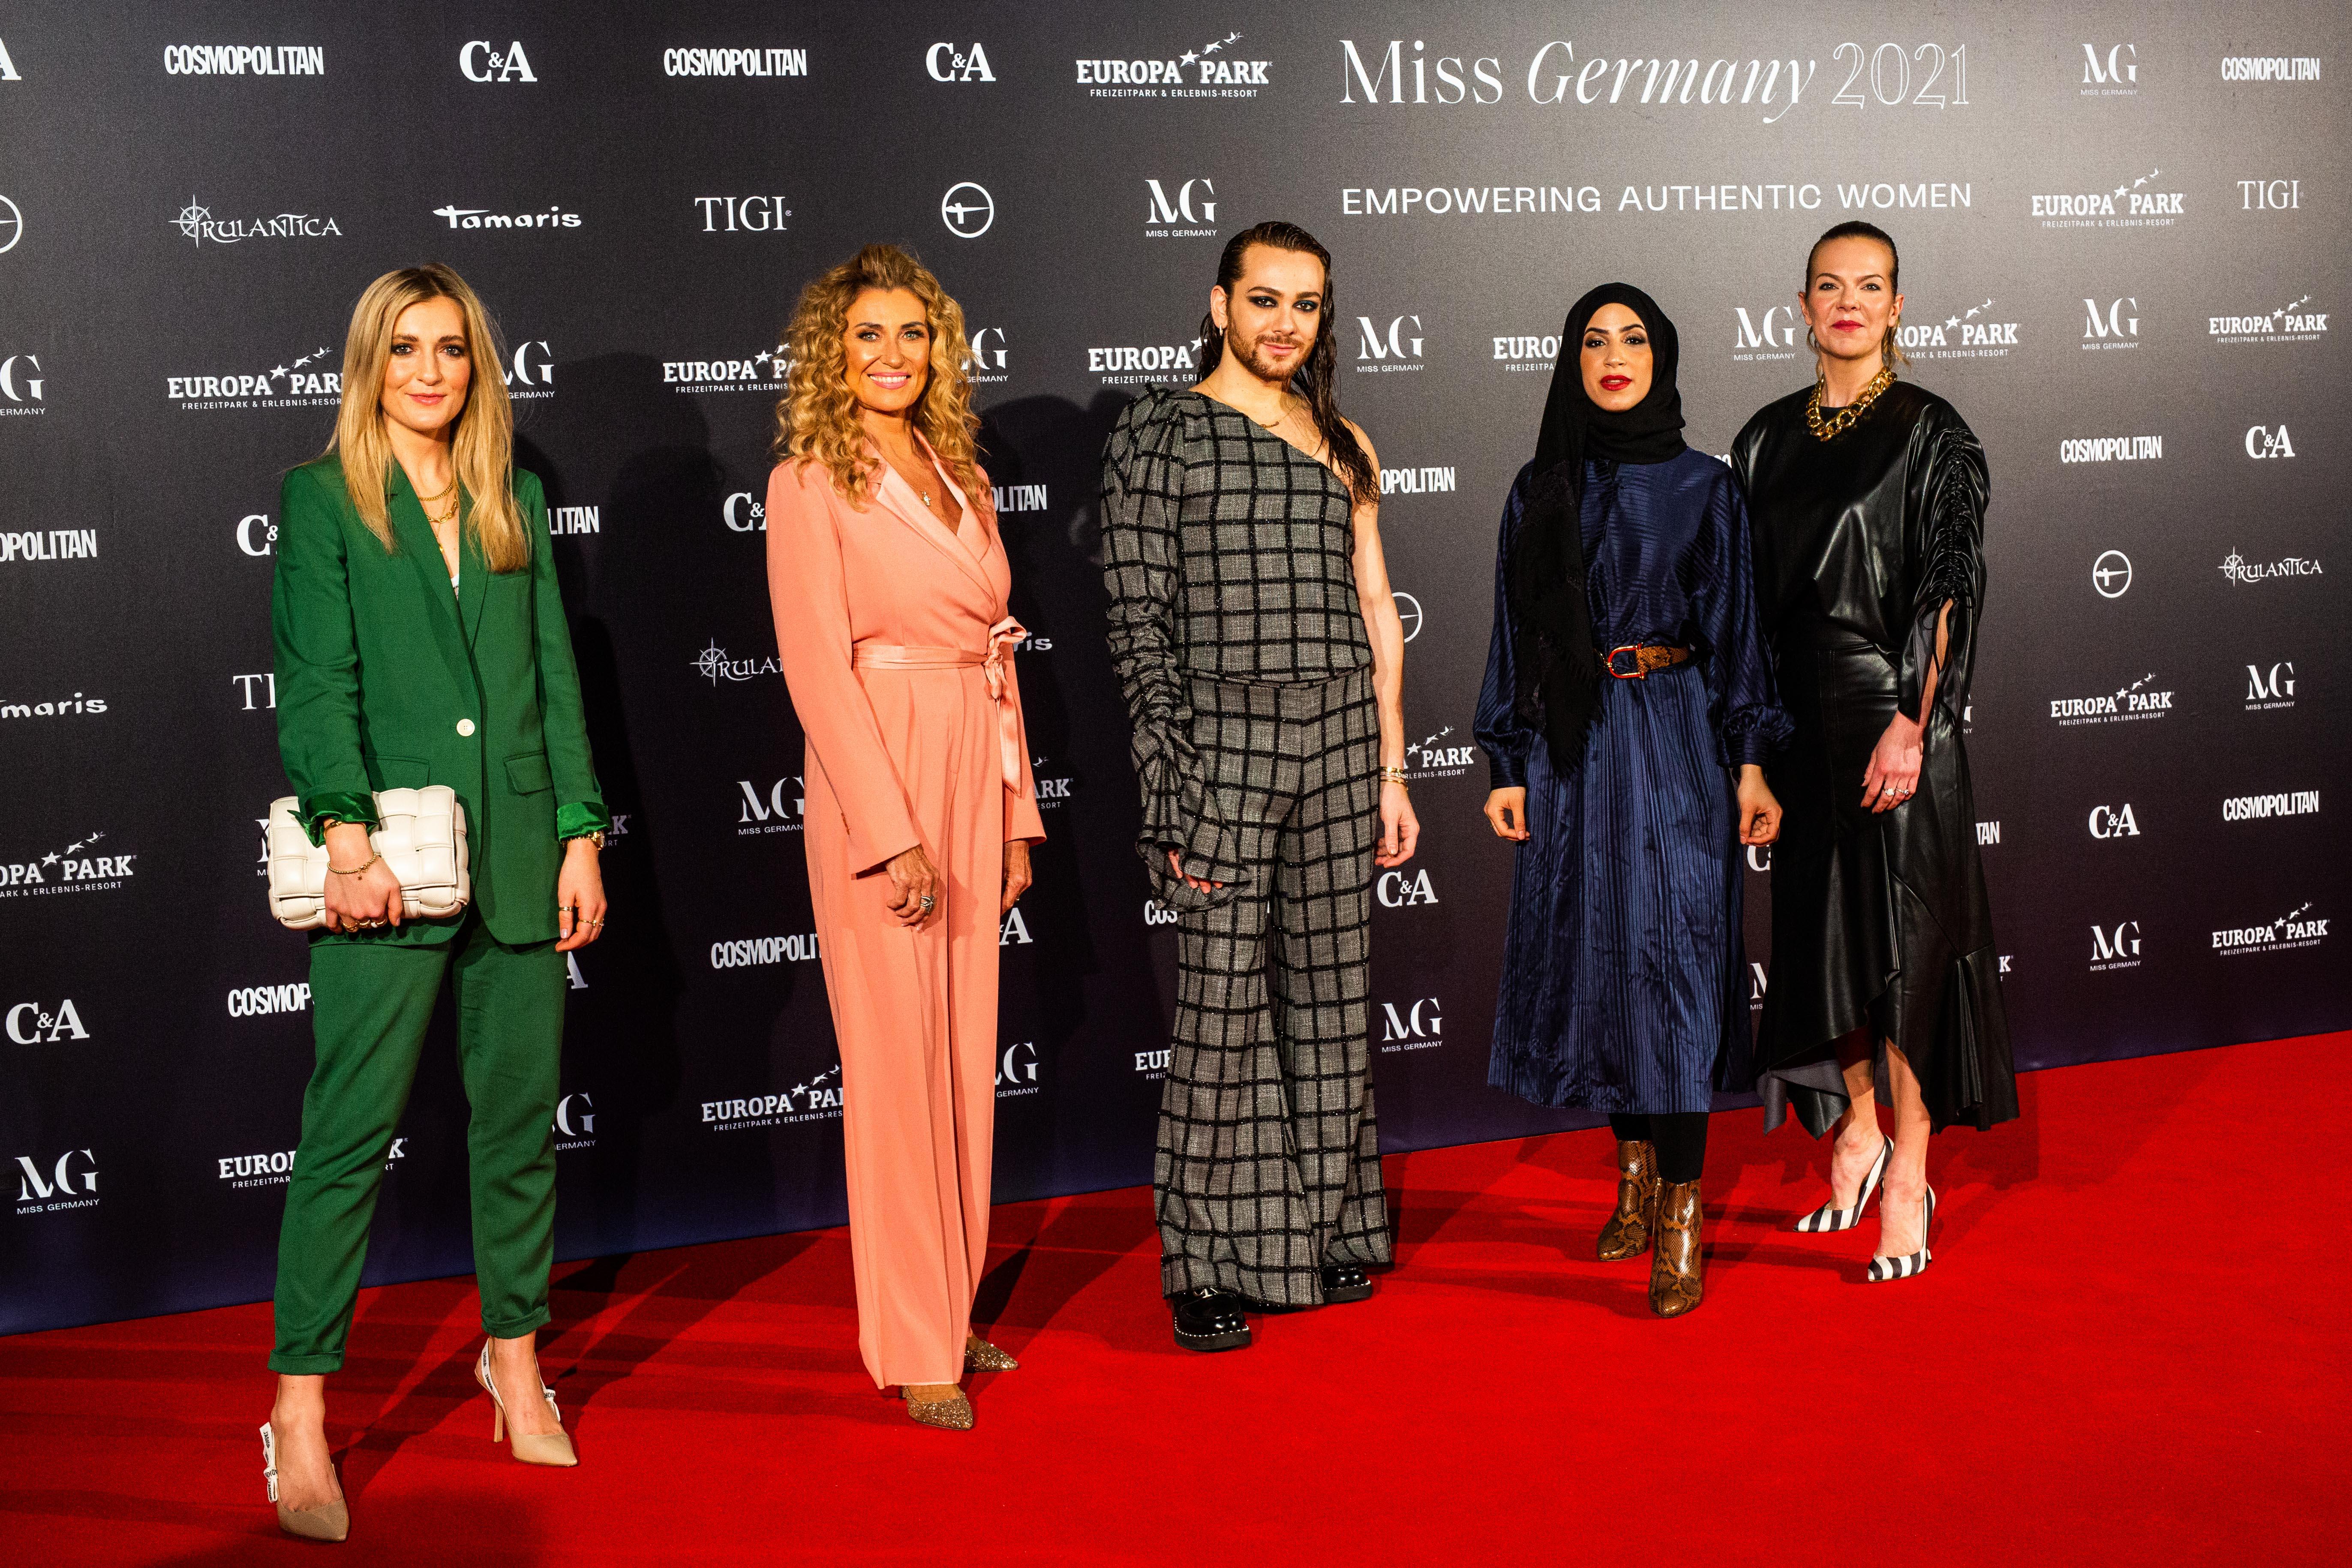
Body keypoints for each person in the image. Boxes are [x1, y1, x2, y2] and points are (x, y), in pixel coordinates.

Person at [264, 263, 609, 1540]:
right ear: (369, 364)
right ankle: (300, 1408)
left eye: (450, 349)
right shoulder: (321, 501)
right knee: (347, 1137)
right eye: (403, 348)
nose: (428, 371)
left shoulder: (510, 494)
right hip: (389, 866)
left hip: (519, 856)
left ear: (477, 367)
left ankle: (513, 1357)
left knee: (518, 1129)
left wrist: (582, 832)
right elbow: (314, 683)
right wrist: (344, 837)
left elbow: (551, 679)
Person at [1101, 220, 1419, 1352]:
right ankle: (1205, 1259)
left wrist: (1393, 766)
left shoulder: (1344, 440)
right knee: (1221, 1010)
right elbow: (1137, 625)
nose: (1286, 322)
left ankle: (1324, 1228)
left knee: (1332, 1001)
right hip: (1222, 744)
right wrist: (1169, 779)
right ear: (1220, 301)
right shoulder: (1162, 434)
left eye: (1309, 304)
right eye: (1266, 299)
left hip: (1340, 738)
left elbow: (1379, 614)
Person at [765, 244, 1042, 1430]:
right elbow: (816, 672)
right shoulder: (807, 479)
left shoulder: (959, 470)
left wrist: (1015, 811)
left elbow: (996, 655)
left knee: (961, 1060)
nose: (892, 355)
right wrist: (891, 834)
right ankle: (909, 1336)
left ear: (940, 349)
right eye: (868, 334)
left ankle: (951, 1302)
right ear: (834, 349)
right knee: (893, 1071)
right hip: (877, 770)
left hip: (972, 772)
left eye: (913, 334)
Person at [1475, 285, 1788, 1318]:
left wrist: (1749, 762)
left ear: (1663, 355)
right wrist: (1507, 764)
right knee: (1598, 963)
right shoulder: (1539, 485)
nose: (1614, 356)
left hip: (1675, 733)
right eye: (1593, 341)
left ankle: (1684, 1211)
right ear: (1570, 361)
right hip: (1572, 751)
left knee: (1674, 966)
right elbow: (1515, 634)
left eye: (1634, 338)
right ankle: (1636, 1178)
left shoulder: (1706, 485)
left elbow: (1740, 629)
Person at [1732, 221, 2017, 1283]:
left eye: (1870, 285)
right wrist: (1752, 755)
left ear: (1898, 305)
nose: (1847, 302)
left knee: (1899, 953)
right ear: (1801, 305)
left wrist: (1914, 719)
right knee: (1821, 946)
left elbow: (1950, 585)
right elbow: (1745, 611)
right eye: (1827, 285)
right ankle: (1856, 1129)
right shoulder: (1761, 439)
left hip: (1891, 711)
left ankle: (1909, 1173)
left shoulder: (1931, 431)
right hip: (1795, 723)